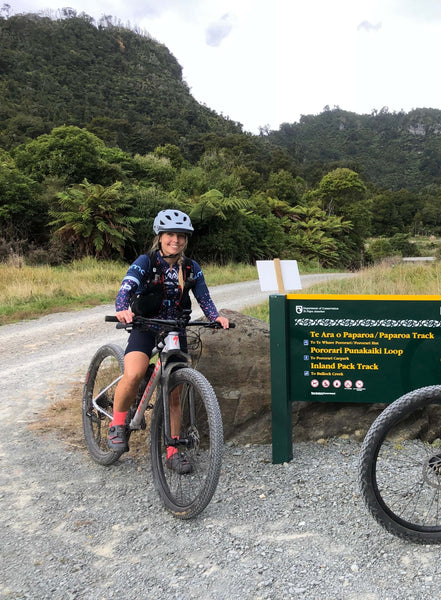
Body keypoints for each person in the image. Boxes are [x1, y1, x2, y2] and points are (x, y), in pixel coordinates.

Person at [109, 208, 229, 472]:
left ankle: (173, 450)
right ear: (160, 236)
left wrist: (215, 316)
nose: (176, 240)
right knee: (134, 373)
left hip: (175, 329)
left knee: (174, 392)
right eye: (171, 235)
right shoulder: (146, 261)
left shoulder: (190, 267)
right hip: (145, 327)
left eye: (182, 236)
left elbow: (204, 297)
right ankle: (117, 424)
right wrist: (122, 307)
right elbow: (127, 286)